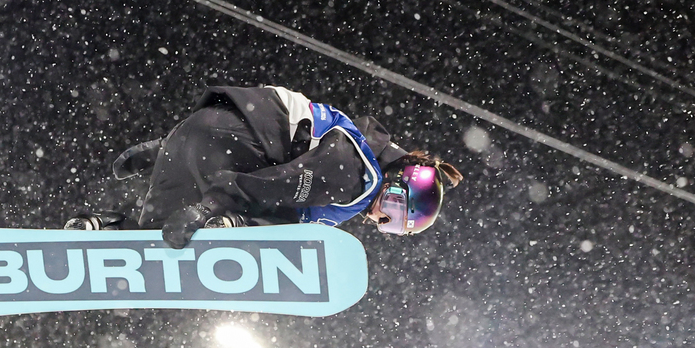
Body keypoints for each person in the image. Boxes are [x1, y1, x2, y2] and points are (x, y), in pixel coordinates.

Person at [66, 85, 463, 248]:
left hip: (200, 133)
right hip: (232, 148)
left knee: (157, 239)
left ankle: (101, 228)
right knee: (295, 220)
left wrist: (163, 148)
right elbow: (280, 184)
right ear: (396, 177)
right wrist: (214, 207)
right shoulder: (358, 178)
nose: (380, 219)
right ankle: (230, 226)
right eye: (393, 207)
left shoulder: (350, 139)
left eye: (390, 224)